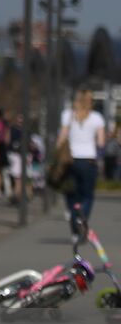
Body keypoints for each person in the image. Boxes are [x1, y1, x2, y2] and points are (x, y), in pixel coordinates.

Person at [57, 87, 106, 224]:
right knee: (88, 195)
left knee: (72, 194)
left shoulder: (68, 115)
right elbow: (101, 143)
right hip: (88, 160)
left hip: (71, 159)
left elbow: (61, 139)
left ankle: (75, 225)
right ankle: (82, 217)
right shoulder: (97, 118)